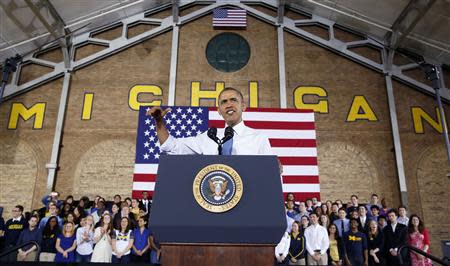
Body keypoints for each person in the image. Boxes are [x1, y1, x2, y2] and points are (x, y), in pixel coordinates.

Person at [147, 88, 273, 155]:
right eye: (224, 102)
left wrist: (274, 168)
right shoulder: (208, 137)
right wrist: (159, 121)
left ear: (243, 106)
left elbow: (270, 174)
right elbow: (171, 146)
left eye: (233, 100)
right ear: (219, 111)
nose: (228, 104)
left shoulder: (259, 138)